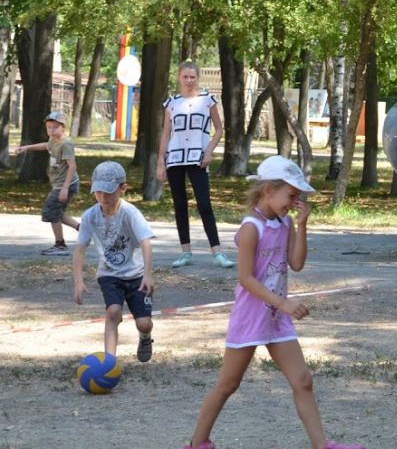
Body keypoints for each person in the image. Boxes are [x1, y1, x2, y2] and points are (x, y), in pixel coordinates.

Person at [183, 156, 363, 449]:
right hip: (251, 317)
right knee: (228, 384)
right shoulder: (251, 227)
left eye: (297, 197)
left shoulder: (285, 222)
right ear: (269, 190)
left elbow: (296, 263)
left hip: (277, 318)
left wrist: (302, 225)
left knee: (302, 380)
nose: (294, 202)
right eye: (291, 195)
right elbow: (245, 278)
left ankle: (322, 445)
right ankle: (197, 443)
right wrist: (283, 303)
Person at [72, 161, 155, 362]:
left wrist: (147, 274)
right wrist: (78, 281)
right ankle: (109, 363)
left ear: (123, 188)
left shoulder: (130, 213)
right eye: (98, 191)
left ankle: (145, 337)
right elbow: (80, 249)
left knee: (144, 323)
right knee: (113, 311)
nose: (103, 197)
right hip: (109, 274)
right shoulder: (90, 216)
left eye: (108, 192)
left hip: (136, 275)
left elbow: (145, 243)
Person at [156, 60, 233, 268]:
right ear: (179, 77)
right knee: (180, 205)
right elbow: (166, 134)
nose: (189, 80)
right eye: (185, 77)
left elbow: (219, 130)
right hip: (175, 158)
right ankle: (185, 252)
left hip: (198, 158)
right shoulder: (171, 103)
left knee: (204, 204)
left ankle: (217, 252)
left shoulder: (207, 100)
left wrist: (209, 152)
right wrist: (161, 162)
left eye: (192, 77)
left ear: (198, 78)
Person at [15, 111, 81, 255]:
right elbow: (46, 145)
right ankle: (83, 229)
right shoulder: (53, 141)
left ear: (63, 127)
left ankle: (60, 245)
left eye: (55, 127)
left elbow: (72, 166)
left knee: (51, 211)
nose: (51, 130)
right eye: (49, 127)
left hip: (66, 184)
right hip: (60, 184)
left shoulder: (65, 144)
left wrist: (65, 188)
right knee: (56, 212)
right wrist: (27, 147)